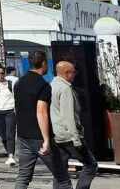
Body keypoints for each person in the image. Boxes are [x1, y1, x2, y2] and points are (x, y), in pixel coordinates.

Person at [13, 50, 65, 189]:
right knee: (62, 177)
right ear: (43, 63)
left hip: (23, 135)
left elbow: (18, 108)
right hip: (39, 136)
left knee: (23, 176)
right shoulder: (43, 85)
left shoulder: (19, 83)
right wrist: (46, 140)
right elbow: (41, 112)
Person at [51, 61, 96, 189]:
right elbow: (68, 116)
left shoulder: (51, 86)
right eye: (73, 72)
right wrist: (76, 139)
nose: (75, 75)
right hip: (68, 135)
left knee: (60, 170)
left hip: (56, 134)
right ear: (67, 73)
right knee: (90, 164)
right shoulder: (65, 89)